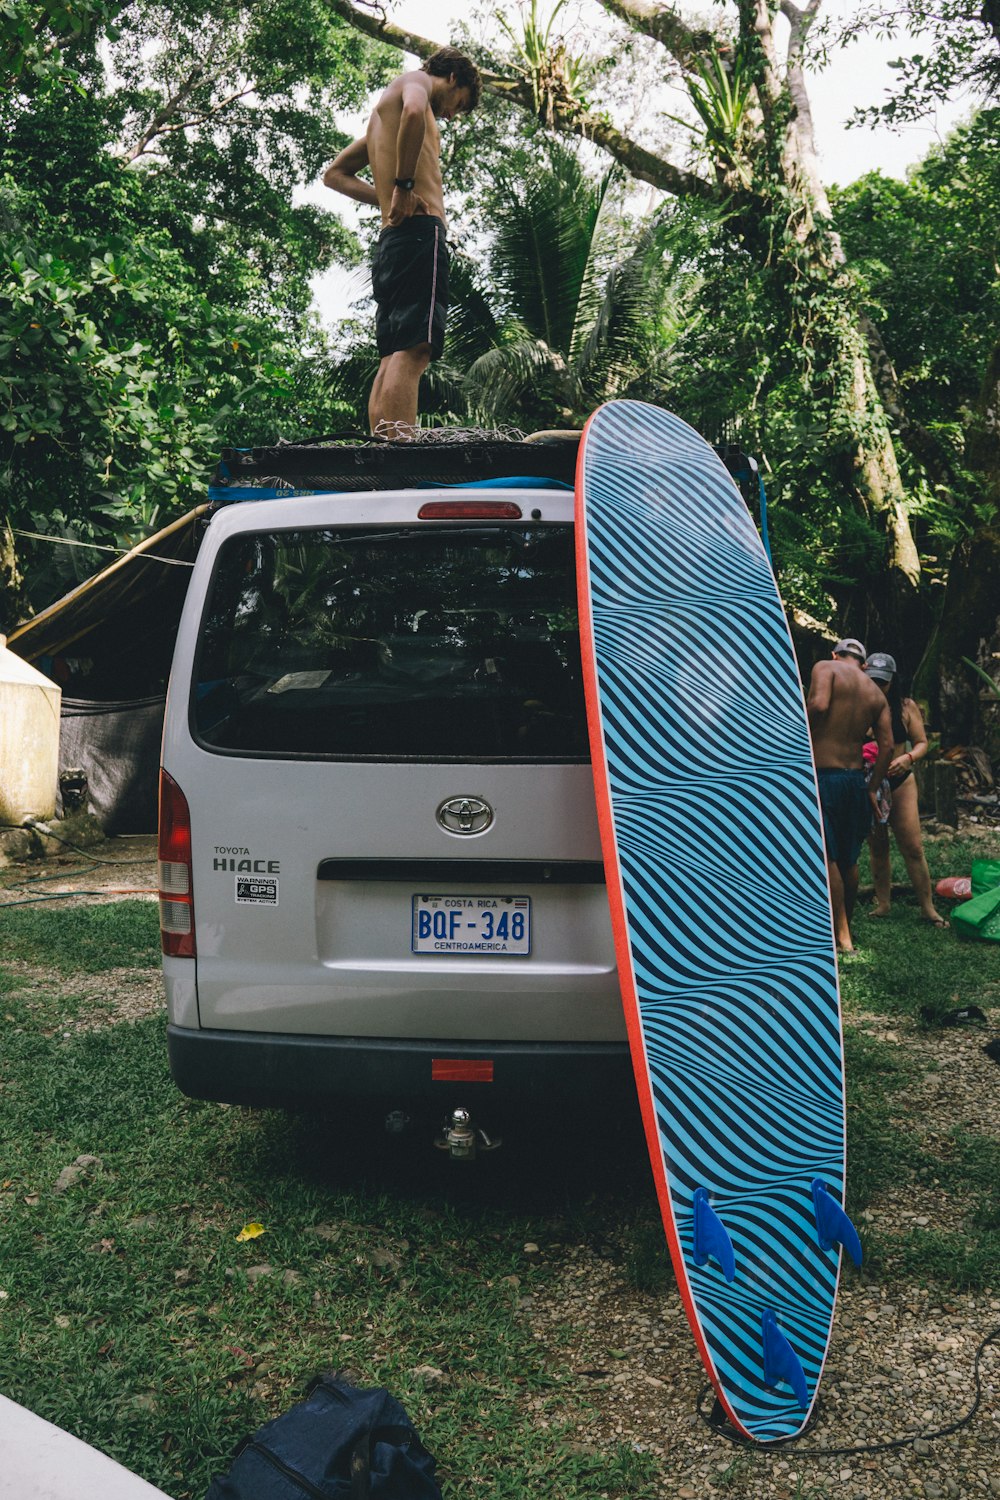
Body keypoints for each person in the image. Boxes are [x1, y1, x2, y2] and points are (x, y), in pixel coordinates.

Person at [323, 48, 481, 433]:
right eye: (458, 106)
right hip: (419, 236)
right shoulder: (415, 84)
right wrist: (404, 187)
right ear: (455, 78)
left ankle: (386, 453)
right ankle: (401, 454)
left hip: (392, 241)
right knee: (415, 350)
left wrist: (388, 195)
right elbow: (414, 111)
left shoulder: (380, 121)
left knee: (392, 354)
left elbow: (334, 174)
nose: (449, 116)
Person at [807, 638, 893, 953]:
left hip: (824, 777)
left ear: (835, 654)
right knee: (849, 859)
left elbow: (818, 705)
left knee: (827, 856)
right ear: (864, 664)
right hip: (855, 781)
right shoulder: (875, 694)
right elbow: (887, 747)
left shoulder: (825, 667)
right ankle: (847, 927)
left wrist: (797, 733)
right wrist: (873, 787)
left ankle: (841, 937)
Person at [864, 652, 947, 927]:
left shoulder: (906, 706)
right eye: (872, 680)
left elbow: (922, 742)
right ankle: (884, 903)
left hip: (900, 781)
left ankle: (928, 908)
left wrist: (908, 757)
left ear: (893, 680)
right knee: (878, 846)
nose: (877, 686)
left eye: (883, 682)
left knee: (912, 847)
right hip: (869, 783)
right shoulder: (858, 705)